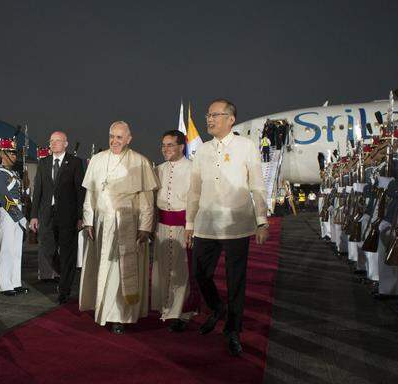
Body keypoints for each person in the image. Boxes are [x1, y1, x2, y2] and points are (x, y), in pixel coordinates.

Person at [185, 99, 269, 356]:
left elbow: (257, 184)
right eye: (208, 115)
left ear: (231, 119)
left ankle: (233, 330)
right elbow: (194, 190)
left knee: (236, 282)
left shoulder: (246, 146)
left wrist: (262, 220)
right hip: (206, 224)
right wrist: (190, 223)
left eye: (215, 115)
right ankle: (217, 307)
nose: (209, 119)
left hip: (237, 224)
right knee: (200, 273)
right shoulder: (202, 151)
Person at [79, 121, 158, 334]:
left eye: (119, 137)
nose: (114, 141)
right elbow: (91, 195)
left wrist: (145, 226)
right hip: (102, 223)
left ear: (129, 139)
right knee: (103, 266)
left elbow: (147, 199)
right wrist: (88, 220)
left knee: (120, 271)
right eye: (111, 136)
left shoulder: (140, 162)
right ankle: (102, 309)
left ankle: (120, 317)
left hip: (127, 223)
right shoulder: (97, 159)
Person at [151, 130, 200, 332]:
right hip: (162, 226)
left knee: (182, 271)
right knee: (163, 268)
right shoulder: (158, 169)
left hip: (184, 226)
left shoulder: (193, 168)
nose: (165, 149)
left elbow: (196, 200)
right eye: (163, 145)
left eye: (170, 145)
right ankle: (165, 306)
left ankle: (180, 312)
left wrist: (191, 227)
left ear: (181, 146)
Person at [30, 131, 85, 304]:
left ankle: (64, 289)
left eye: (57, 141)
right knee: (47, 248)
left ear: (66, 143)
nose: (53, 144)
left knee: (68, 252)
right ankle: (65, 271)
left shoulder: (75, 163)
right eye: (51, 141)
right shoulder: (43, 162)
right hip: (47, 215)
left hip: (68, 216)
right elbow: (37, 190)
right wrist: (33, 216)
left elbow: (79, 191)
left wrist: (80, 216)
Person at [0, 138, 29, 296]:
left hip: (18, 210)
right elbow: (5, 197)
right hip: (8, 213)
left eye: (15, 153)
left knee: (16, 250)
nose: (14, 156)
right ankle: (5, 284)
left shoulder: (14, 173)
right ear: (2, 154)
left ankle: (15, 282)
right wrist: (19, 216)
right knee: (6, 249)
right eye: (11, 153)